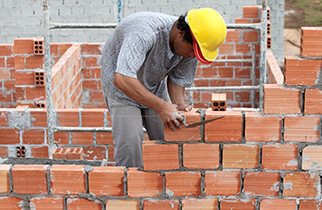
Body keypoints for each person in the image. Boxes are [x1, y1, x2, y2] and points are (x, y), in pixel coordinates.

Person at [100, 8, 227, 167]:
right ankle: (132, 188)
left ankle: (163, 184)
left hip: (153, 86)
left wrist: (179, 104)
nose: (194, 56)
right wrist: (161, 106)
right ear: (180, 35)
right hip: (122, 90)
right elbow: (122, 78)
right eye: (193, 51)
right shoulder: (144, 33)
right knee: (131, 146)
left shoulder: (191, 45)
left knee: (169, 137)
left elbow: (178, 79)